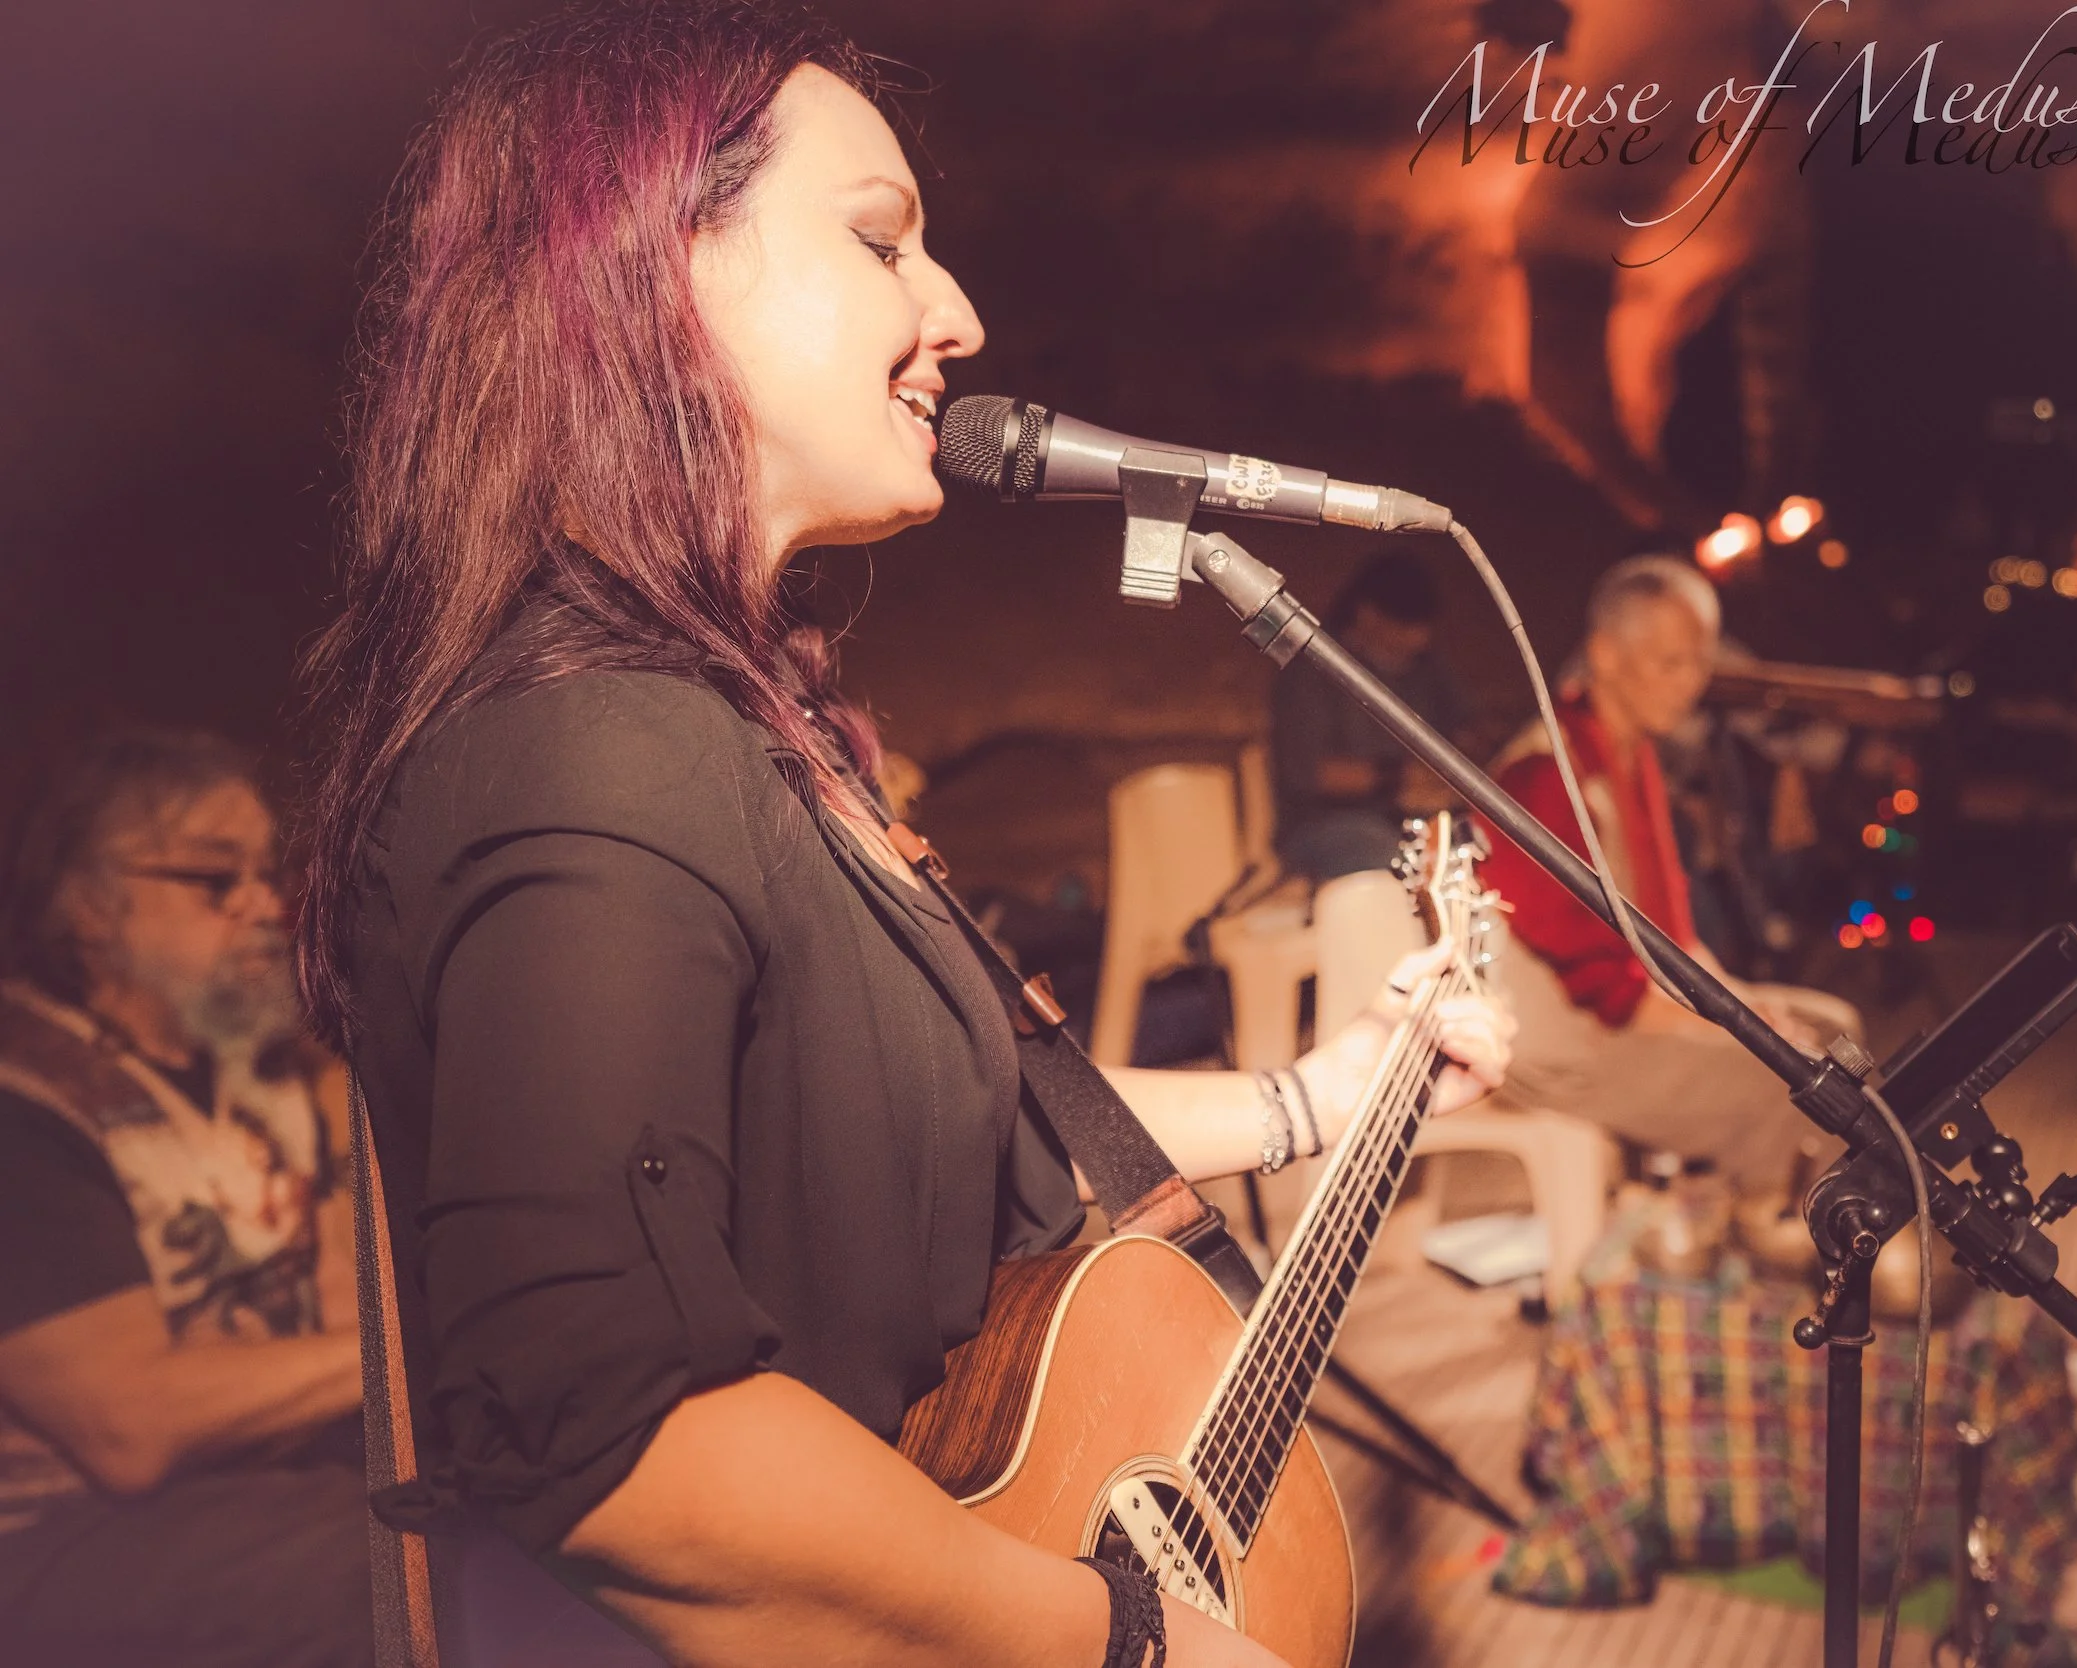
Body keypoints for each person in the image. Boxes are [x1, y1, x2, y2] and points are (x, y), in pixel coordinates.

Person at [289, 8, 1512, 1668]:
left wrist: (1328, 1093)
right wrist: (1122, 1633)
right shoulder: (590, 743)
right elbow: (625, 1447)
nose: (958, 312)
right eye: (880, 241)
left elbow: (944, 1135)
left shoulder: (732, 734)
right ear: (646, 267)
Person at [0, 730, 369, 1668]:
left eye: (261, 873)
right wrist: (415, 1349)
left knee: (505, 1515)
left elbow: (337, 1303)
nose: (261, 907)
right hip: (54, 1536)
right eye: (214, 880)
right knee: (402, 1570)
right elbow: (131, 1426)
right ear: (89, 907)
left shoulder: (268, 1077)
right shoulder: (25, 1101)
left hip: (253, 1489)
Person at [1475, 555, 1858, 1190]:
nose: (1691, 684)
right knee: (1790, 1079)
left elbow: (1676, 940)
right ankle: (1765, 1242)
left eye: (1700, 663)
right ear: (1606, 655)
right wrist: (1746, 1027)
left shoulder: (1635, 754)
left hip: (1635, 1012)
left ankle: (1806, 1215)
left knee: (1837, 1031)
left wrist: (1749, 1006)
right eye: (1671, 662)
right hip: (1570, 1049)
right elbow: (1603, 989)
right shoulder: (1544, 776)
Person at [1269, 551, 1466, 883]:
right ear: (1367, 614)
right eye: (1404, 628)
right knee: (1388, 860)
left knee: (1473, 846)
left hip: (1416, 818)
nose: (1417, 641)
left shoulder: (1426, 667)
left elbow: (1465, 728)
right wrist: (1399, 778)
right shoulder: (1314, 669)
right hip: (1328, 825)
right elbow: (1309, 773)